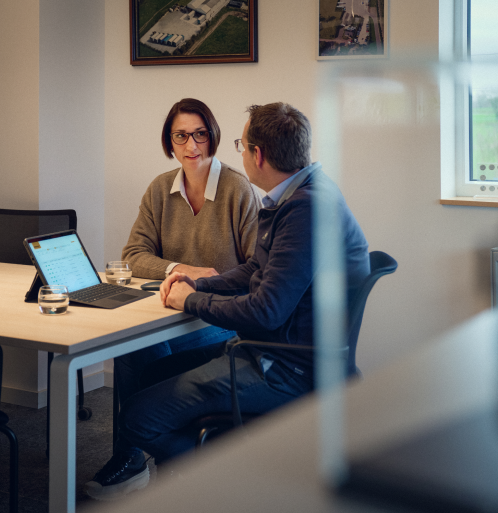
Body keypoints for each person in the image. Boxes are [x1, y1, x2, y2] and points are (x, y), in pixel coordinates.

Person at [84, 102, 369, 501]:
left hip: (282, 365)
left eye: (240, 143)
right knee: (146, 379)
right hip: (279, 351)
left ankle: (226, 475)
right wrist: (198, 286)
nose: (193, 144)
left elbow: (266, 309)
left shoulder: (302, 209)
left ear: (258, 155)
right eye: (181, 135)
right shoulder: (300, 195)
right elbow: (255, 268)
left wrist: (191, 302)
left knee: (135, 417)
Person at [101, 98, 260, 492]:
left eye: (201, 134)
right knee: (135, 347)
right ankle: (134, 456)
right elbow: (133, 255)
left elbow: (258, 270)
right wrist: (180, 269)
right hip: (169, 308)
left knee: (156, 356)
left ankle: (157, 452)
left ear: (213, 137)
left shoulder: (237, 190)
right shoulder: (160, 189)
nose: (192, 146)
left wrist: (207, 286)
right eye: (182, 136)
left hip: (219, 318)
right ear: (170, 142)